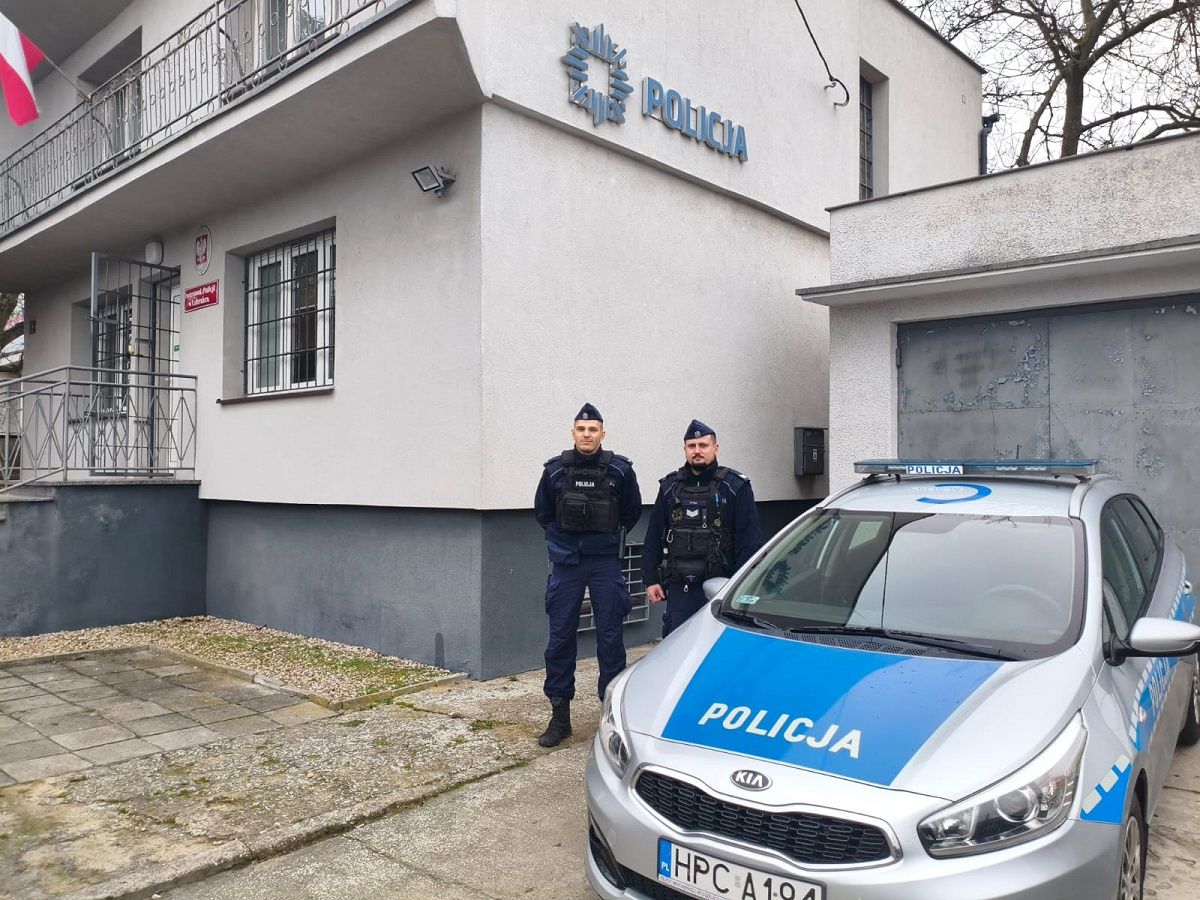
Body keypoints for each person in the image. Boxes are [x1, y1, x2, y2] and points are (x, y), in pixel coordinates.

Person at [533, 403, 642, 747]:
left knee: (610, 639)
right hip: (567, 564)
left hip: (604, 563)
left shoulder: (620, 471)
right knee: (560, 638)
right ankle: (559, 717)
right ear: (573, 432)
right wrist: (567, 540)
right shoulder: (555, 471)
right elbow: (543, 513)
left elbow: (631, 512)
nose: (586, 435)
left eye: (593, 429)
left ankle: (610, 716)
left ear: (602, 433)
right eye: (581, 429)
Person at [642, 419, 763, 637]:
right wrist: (650, 579)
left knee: (717, 646)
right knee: (676, 646)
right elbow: (654, 536)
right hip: (680, 589)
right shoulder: (669, 487)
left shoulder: (735, 487)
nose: (697, 451)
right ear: (685, 449)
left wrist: (739, 589)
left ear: (715, 448)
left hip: (721, 588)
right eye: (692, 446)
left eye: (703, 445)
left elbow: (749, 542)